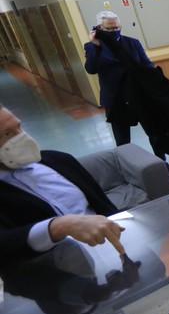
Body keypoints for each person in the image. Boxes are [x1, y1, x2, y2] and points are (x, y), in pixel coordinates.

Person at [0, 104, 126, 270]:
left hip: (115, 251)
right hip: (52, 275)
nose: (21, 137)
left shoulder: (59, 160)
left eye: (19, 127)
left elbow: (105, 206)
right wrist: (58, 226)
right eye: (7, 134)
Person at [83, 11, 169, 171]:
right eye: (109, 29)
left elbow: (147, 64)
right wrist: (97, 46)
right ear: (98, 28)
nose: (114, 31)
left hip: (139, 94)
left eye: (117, 27)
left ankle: (162, 162)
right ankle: (126, 167)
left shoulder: (132, 43)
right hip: (116, 97)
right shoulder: (92, 46)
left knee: (155, 132)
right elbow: (91, 69)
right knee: (122, 138)